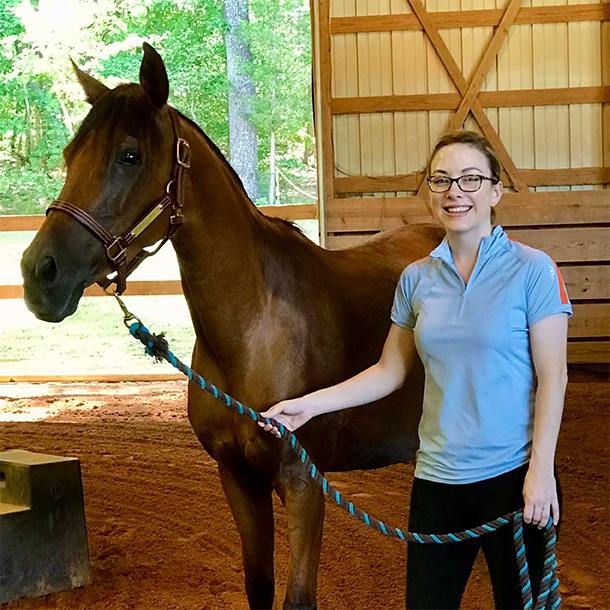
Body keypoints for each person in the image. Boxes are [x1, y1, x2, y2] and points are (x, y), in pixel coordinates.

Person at [259, 130, 572, 609]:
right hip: (437, 482)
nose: (455, 192)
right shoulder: (417, 278)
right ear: (431, 192)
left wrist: (542, 471)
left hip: (514, 479)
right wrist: (308, 405)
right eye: (442, 180)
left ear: (494, 191)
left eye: (470, 179)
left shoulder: (534, 270)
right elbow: (389, 370)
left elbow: (554, 375)